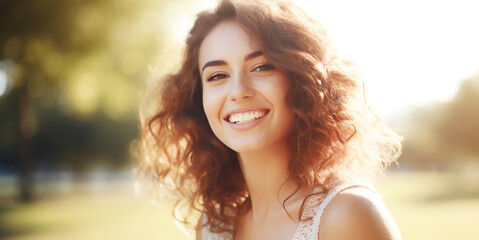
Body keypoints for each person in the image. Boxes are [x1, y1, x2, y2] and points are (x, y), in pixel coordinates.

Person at [138, 0, 402, 239]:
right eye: (217, 76)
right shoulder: (213, 228)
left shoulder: (346, 215)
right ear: (199, 100)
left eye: (261, 67)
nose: (238, 91)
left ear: (301, 80)